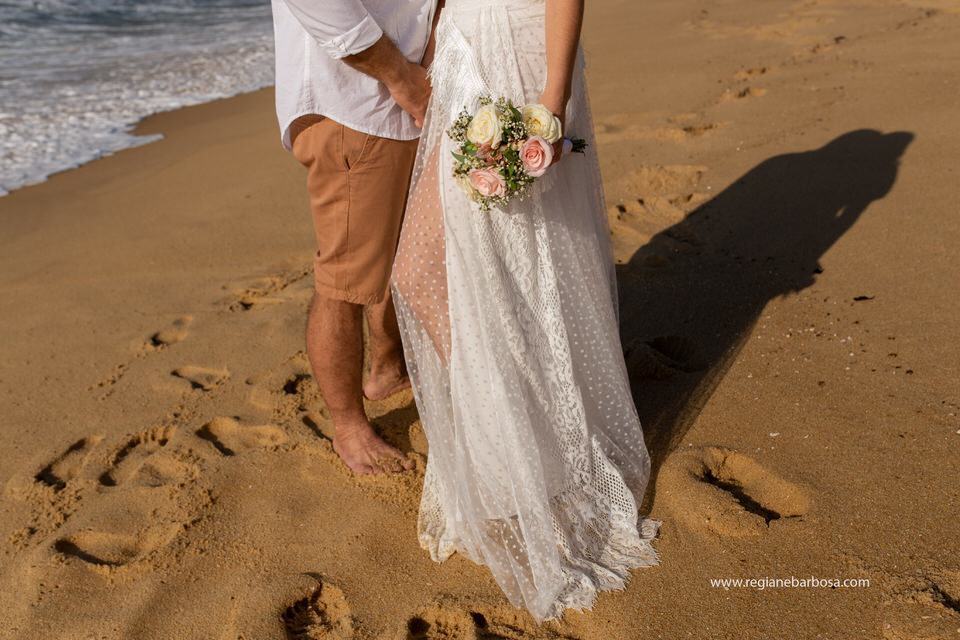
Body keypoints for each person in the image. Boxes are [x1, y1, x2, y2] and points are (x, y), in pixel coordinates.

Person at [390, 0, 660, 623]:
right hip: (464, 51)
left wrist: (554, 101)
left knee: (519, 268)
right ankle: (514, 444)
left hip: (517, 59)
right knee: (436, 270)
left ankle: (532, 461)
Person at [270, 0, 440, 474]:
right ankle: (348, 427)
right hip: (356, 104)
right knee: (345, 282)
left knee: (396, 253)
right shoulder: (382, 90)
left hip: (400, 96)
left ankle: (388, 368)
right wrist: (401, 77)